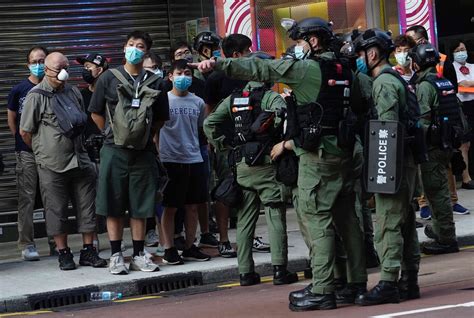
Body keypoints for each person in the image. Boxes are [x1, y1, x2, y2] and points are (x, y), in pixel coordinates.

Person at [195, 17, 368, 311]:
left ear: (313, 41)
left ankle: (324, 288)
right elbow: (362, 106)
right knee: (348, 220)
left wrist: (219, 65)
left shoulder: (307, 69)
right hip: (345, 154)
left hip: (317, 159)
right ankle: (354, 284)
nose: (297, 47)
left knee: (317, 222)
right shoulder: (347, 70)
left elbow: (263, 67)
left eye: (299, 41)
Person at [205, 51, 298, 286]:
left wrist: (223, 146)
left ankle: (245, 272)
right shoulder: (270, 98)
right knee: (275, 215)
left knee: (245, 220)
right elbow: (285, 118)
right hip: (267, 165)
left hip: (242, 168)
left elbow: (209, 123)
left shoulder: (234, 98)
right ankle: (279, 270)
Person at [89, 30, 169, 274]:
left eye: (140, 45)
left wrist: (140, 136)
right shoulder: (108, 78)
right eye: (131, 44)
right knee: (113, 204)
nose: (135, 48)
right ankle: (115, 255)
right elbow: (95, 112)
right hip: (113, 150)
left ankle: (138, 253)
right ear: (124, 48)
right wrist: (114, 135)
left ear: (146, 52)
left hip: (143, 152)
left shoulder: (155, 82)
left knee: (141, 205)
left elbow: (161, 118)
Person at [19, 52, 106, 270]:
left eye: (66, 67)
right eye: (58, 68)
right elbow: (25, 132)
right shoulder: (35, 96)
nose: (63, 72)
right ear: (47, 70)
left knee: (87, 206)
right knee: (56, 210)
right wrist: (44, 151)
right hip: (52, 164)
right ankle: (63, 253)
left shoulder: (73, 91)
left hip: (80, 159)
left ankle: (88, 250)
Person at [353, 29, 420, 305]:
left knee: (388, 223)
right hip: (405, 161)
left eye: (360, 54)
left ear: (371, 53)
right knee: (405, 223)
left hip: (393, 162)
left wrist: (379, 172)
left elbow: (386, 131)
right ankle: (409, 280)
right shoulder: (396, 78)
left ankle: (389, 282)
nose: (359, 59)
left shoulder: (383, 83)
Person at [204, 33, 270, 254]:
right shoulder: (216, 78)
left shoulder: (253, 76)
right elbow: (210, 112)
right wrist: (219, 143)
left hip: (254, 145)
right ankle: (224, 240)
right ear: (236, 55)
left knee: (250, 194)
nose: (251, 55)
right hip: (229, 145)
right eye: (248, 51)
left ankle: (250, 237)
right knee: (227, 189)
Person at [405, 26, 469, 217]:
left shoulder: (440, 60)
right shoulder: (411, 62)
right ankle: (425, 204)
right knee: (427, 171)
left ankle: (449, 206)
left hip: (440, 126)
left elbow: (451, 92)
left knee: (442, 168)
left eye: (412, 40)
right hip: (433, 128)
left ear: (422, 40)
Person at [409, 43, 461, 255]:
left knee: (436, 193)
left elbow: (422, 120)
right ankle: (441, 230)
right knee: (440, 190)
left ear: (417, 63)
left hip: (433, 146)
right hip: (447, 143)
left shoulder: (425, 86)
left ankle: (446, 238)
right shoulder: (443, 81)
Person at [159, 59, 211, 265]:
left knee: (192, 206)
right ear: (170, 76)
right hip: (170, 159)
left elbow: (200, 128)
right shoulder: (163, 100)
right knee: (170, 207)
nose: (183, 77)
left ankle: (190, 246)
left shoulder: (198, 102)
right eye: (179, 73)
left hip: (194, 158)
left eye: (187, 74)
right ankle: (169, 248)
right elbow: (155, 130)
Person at [7, 46, 48, 261]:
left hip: (50, 152)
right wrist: (23, 141)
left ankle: (55, 241)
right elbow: (12, 119)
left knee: (53, 199)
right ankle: (27, 244)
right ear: (28, 64)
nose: (39, 65)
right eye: (34, 61)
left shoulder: (54, 87)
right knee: (27, 198)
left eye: (42, 60)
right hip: (26, 152)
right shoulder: (19, 90)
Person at [451, 40, 474, 189]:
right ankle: (466, 178)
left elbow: (465, 84)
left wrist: (466, 83)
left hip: (473, 103)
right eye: (458, 50)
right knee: (464, 144)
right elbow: (459, 84)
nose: (461, 52)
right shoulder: (451, 67)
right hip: (460, 106)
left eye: (463, 49)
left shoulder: (472, 66)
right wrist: (468, 83)